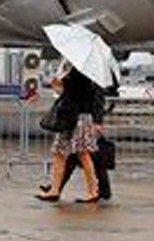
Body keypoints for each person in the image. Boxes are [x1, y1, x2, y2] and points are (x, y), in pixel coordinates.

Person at [35, 64, 103, 203]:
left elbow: (84, 95)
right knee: (62, 153)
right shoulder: (76, 71)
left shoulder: (83, 72)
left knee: (81, 153)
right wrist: (58, 85)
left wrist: (61, 83)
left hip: (78, 117)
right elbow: (69, 94)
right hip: (71, 117)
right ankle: (55, 190)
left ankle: (92, 191)